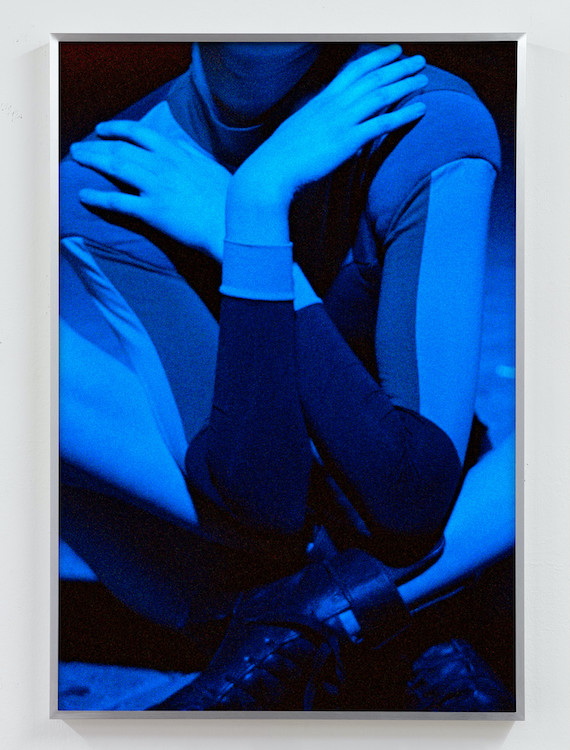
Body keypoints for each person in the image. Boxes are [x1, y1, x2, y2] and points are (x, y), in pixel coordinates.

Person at [59, 42, 502, 709]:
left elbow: (410, 493)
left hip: (406, 483)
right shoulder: (113, 175)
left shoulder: (426, 119)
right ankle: (400, 624)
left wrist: (254, 205)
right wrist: (253, 217)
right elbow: (264, 504)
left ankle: (298, 630)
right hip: (249, 539)